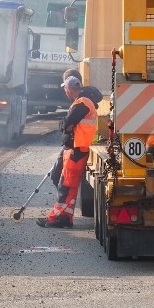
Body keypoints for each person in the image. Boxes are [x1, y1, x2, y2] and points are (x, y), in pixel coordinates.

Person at [36, 74, 97, 229]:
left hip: (77, 150)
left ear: (70, 89)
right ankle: (63, 218)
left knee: (66, 186)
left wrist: (66, 127)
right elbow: (68, 125)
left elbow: (67, 124)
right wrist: (67, 126)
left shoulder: (82, 103)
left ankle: (58, 219)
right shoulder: (85, 102)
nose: (65, 92)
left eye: (66, 89)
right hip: (78, 149)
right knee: (68, 186)